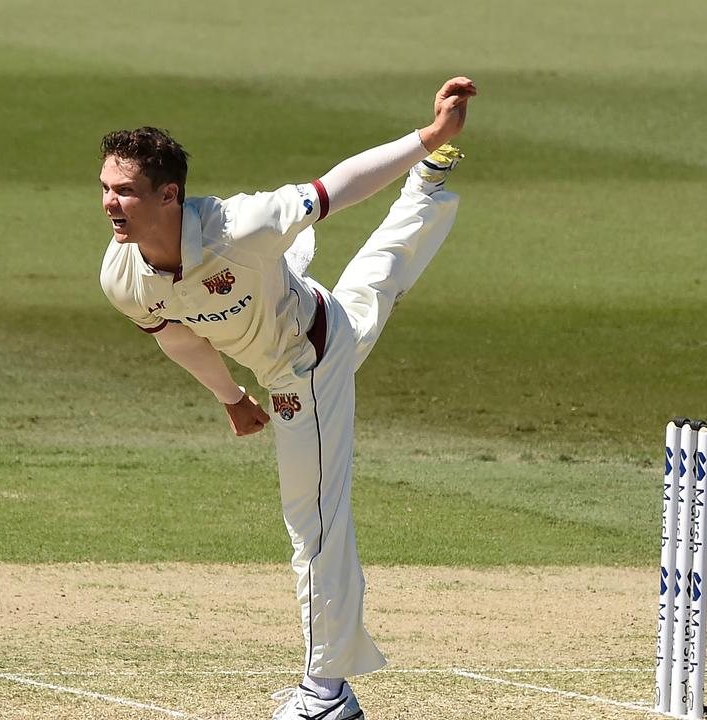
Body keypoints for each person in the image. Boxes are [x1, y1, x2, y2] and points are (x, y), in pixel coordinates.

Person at [98, 76, 476, 720]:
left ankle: (326, 691)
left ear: (169, 194)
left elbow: (339, 185)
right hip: (290, 329)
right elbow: (179, 339)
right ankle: (430, 185)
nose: (110, 203)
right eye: (105, 188)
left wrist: (429, 135)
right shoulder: (122, 275)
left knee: (315, 525)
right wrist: (229, 398)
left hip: (308, 364)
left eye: (126, 191)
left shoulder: (237, 224)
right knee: (372, 288)